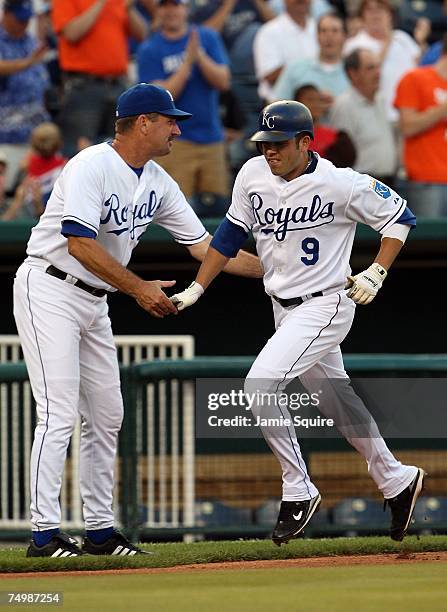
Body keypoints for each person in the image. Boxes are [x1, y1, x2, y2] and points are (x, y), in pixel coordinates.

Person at [13, 82, 262, 558]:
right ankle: (43, 536)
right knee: (58, 413)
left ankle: (100, 533)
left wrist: (281, 269)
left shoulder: (156, 179)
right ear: (142, 122)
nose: (177, 128)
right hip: (49, 286)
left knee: (107, 416)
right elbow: (78, 244)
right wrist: (140, 289)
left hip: (95, 300)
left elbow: (207, 250)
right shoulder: (92, 165)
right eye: (170, 120)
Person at [170, 100, 425, 544]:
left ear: (306, 142)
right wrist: (198, 287)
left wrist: (377, 271)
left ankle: (297, 489)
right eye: (265, 143)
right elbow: (230, 236)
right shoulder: (252, 174)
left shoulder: (340, 182)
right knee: (337, 401)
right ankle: (396, 478)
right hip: (282, 306)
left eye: (280, 144)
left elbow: (401, 215)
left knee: (259, 385)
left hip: (326, 303)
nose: (270, 151)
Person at [137, 0, 231, 204]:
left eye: (176, 5)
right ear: (158, 10)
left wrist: (199, 56)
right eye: (165, 6)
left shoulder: (207, 37)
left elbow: (223, 81)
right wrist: (187, 62)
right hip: (173, 142)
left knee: (217, 208)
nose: (171, 11)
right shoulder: (150, 49)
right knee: (174, 209)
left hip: (212, 139)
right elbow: (160, 98)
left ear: (186, 8)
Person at [51, 0, 147, 157]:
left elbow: (142, 34)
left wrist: (129, 8)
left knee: (121, 152)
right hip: (84, 87)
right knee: (81, 154)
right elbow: (71, 33)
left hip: (117, 84)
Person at [394, 34, 447, 217]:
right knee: (429, 243)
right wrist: (442, 109)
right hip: (427, 179)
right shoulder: (415, 78)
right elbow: (407, 126)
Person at [0, 0, 49, 194]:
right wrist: (27, 62)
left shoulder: (31, 41)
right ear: (6, 14)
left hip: (35, 137)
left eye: (26, 19)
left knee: (32, 196)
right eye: (19, 19)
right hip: (6, 135)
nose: (24, 24)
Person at [343, 0, 421, 122]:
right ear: (362, 16)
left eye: (380, 9)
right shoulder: (354, 44)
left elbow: (419, 67)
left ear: (390, 14)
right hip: (376, 116)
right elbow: (366, 74)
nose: (376, 14)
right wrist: (387, 40)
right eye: (370, 10)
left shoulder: (402, 37)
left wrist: (421, 41)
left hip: (407, 115)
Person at [329, 48, 397, 187]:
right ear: (353, 74)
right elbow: (341, 156)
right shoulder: (344, 105)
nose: (378, 73)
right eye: (370, 68)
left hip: (387, 182)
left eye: (379, 66)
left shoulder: (380, 99)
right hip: (361, 185)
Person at [273, 12, 349, 113]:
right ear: (317, 36)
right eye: (323, 31)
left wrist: (337, 105)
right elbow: (276, 107)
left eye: (335, 31)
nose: (329, 37)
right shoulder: (295, 68)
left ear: (345, 36)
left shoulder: (355, 73)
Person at [253, 0, 319, 103]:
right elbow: (270, 76)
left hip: (319, 102)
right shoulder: (268, 32)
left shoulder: (319, 28)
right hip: (281, 106)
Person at [2, 122, 67, 221]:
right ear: (59, 143)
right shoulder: (66, 167)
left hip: (37, 214)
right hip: (37, 215)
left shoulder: (26, 164)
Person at [294, 84, 355, 167]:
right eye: (310, 100)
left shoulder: (335, 137)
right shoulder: (291, 137)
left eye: (319, 100)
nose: (316, 104)